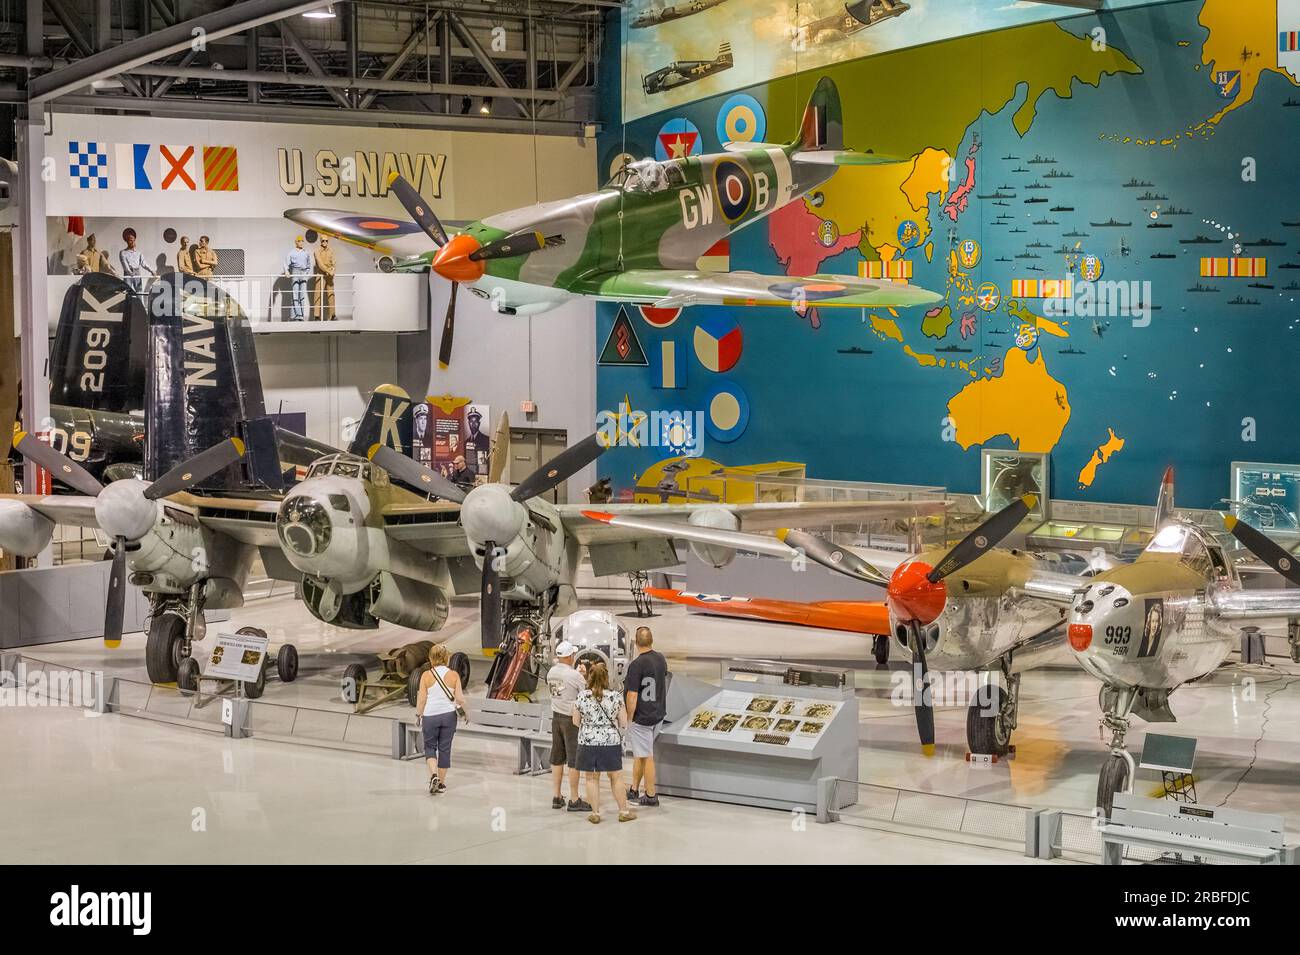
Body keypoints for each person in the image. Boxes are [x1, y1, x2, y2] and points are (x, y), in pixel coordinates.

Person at [572, 661, 635, 824]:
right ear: (606, 677)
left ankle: (595, 813)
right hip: (610, 742)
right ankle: (623, 811)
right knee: (616, 777)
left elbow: (575, 721)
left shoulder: (582, 696)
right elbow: (623, 723)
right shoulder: (615, 697)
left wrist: (590, 728)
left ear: (590, 677)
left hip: (587, 741)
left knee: (591, 778)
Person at [414, 644, 467, 795]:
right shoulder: (454, 675)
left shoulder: (425, 675)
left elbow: (422, 699)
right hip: (449, 716)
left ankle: (433, 775)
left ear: (431, 658)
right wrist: (466, 713)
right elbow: (460, 698)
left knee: (430, 747)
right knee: (445, 749)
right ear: (446, 657)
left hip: (430, 716)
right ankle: (442, 784)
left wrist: (418, 715)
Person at [624, 626, 669, 806]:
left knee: (646, 756)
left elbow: (632, 695)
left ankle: (651, 795)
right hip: (658, 714)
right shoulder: (660, 659)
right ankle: (634, 789)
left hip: (642, 717)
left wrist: (629, 718)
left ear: (635, 642)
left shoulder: (636, 665)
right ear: (651, 640)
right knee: (640, 754)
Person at [546, 641, 589, 812]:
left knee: (557, 757)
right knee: (573, 760)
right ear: (570, 656)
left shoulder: (551, 672)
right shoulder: (574, 675)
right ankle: (574, 798)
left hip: (556, 717)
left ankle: (556, 796)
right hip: (572, 720)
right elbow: (585, 693)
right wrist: (583, 675)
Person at [284, 236, 313, 321]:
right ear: (296, 242)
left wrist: (306, 272)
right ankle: (298, 315)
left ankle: (298, 315)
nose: (301, 242)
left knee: (302, 295)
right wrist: (286, 271)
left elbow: (308, 264)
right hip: (295, 272)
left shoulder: (306, 253)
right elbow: (286, 262)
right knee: (295, 294)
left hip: (303, 273)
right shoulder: (292, 253)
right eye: (299, 241)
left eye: (302, 241)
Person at [118, 229, 155, 293]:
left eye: (133, 240)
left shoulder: (138, 253)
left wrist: (152, 270)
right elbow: (125, 265)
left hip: (137, 272)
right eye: (130, 240)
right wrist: (130, 273)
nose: (132, 242)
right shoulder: (123, 252)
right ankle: (128, 302)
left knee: (139, 292)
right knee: (127, 292)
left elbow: (144, 263)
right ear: (127, 241)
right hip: (128, 274)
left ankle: (139, 303)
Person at [313, 236, 336, 320]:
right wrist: (328, 270)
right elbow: (320, 264)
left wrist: (333, 270)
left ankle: (333, 314)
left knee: (331, 294)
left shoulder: (331, 250)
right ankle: (316, 315)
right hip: (321, 274)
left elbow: (334, 261)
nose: (325, 242)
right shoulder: (316, 251)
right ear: (320, 241)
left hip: (329, 275)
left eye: (326, 240)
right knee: (318, 294)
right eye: (323, 240)